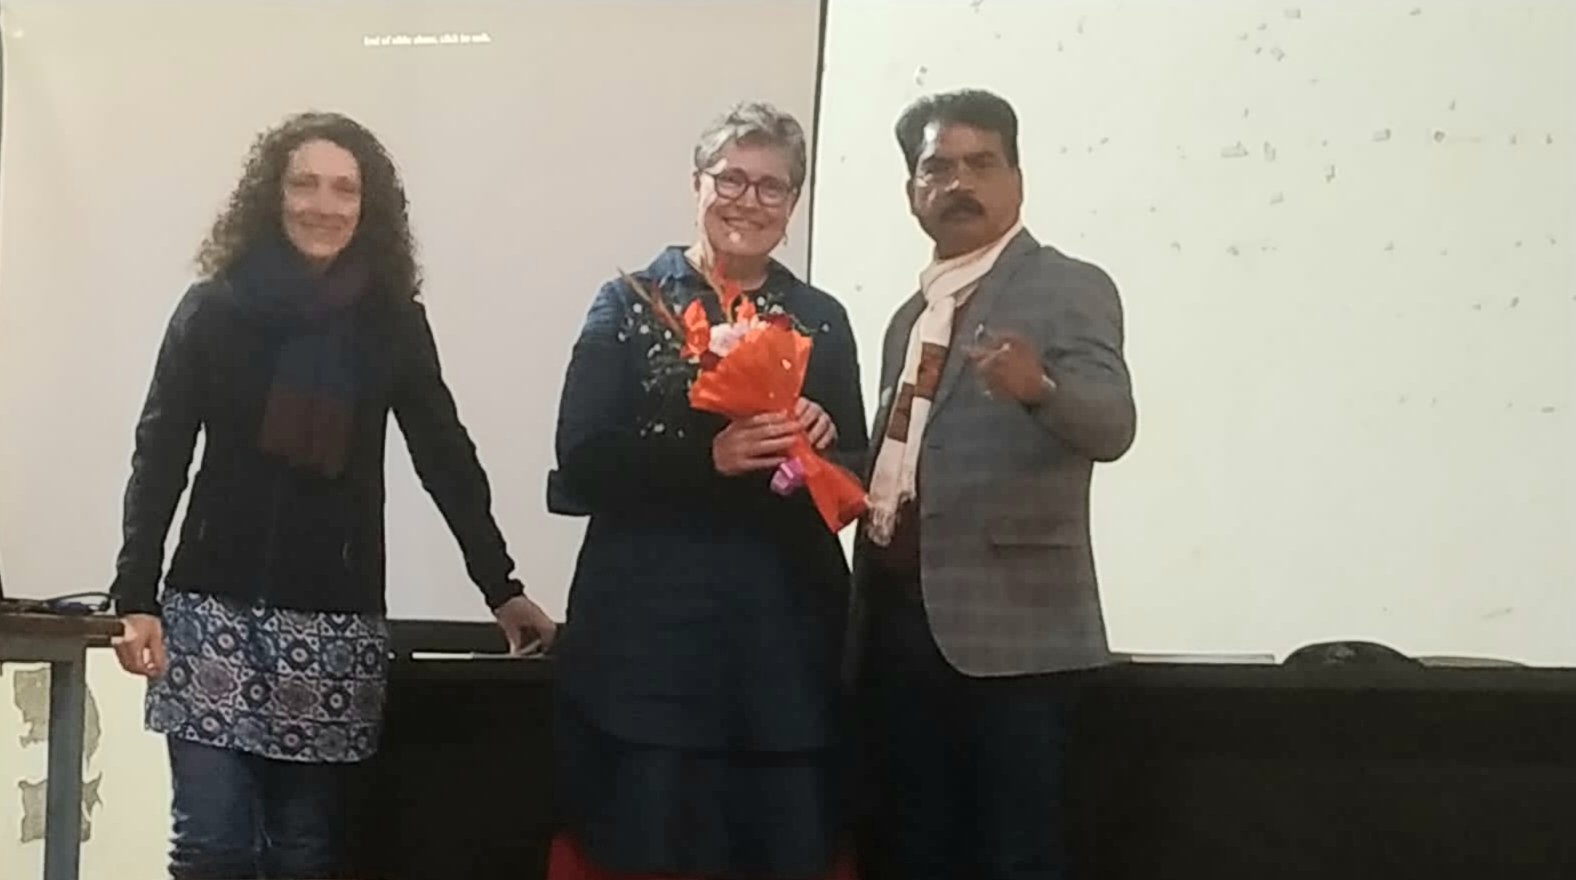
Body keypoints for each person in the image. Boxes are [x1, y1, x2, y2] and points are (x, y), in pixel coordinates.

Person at [108, 111, 557, 880]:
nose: (324, 205)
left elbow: (444, 456)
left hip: (334, 620)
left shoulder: (392, 324)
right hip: (210, 610)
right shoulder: (213, 309)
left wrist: (501, 585)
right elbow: (160, 455)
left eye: (345, 189)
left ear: (368, 206)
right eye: (305, 184)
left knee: (304, 854)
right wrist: (135, 596)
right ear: (272, 195)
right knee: (211, 847)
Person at [547, 102, 865, 880]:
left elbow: (857, 471)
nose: (748, 201)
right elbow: (581, 460)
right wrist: (708, 460)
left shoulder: (821, 319)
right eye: (731, 179)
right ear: (697, 184)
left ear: (793, 204)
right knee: (649, 849)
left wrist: (821, 442)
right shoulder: (626, 302)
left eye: (771, 187)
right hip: (649, 652)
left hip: (784, 653)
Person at [852, 89, 1137, 880]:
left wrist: (1039, 388)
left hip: (1015, 641)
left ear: (1017, 179)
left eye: (981, 164)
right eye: (937, 168)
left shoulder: (1068, 286)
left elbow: (1113, 425)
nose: (959, 183)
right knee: (913, 851)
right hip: (898, 626)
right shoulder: (911, 316)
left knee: (1014, 856)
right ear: (912, 191)